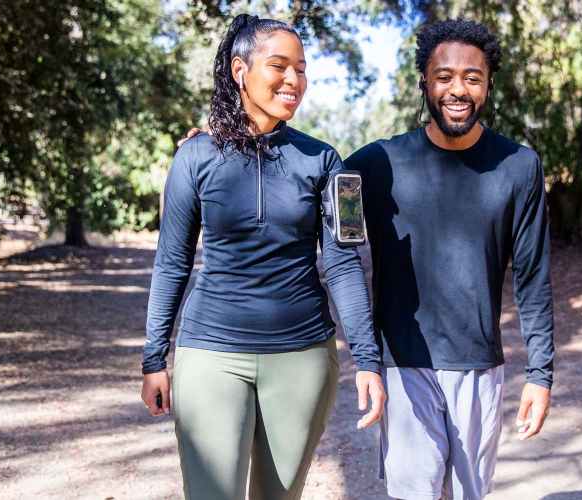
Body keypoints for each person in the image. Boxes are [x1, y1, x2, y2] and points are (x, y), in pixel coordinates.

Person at [139, 14, 385, 500]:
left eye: (302, 68)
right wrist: (154, 357)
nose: (294, 80)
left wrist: (369, 359)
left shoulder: (325, 161)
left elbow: (342, 263)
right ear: (239, 70)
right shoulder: (194, 158)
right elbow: (172, 261)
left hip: (302, 360)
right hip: (210, 355)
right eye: (279, 66)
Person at [343, 19, 556, 500]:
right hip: (403, 363)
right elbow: (304, 190)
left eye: (472, 77)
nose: (457, 89)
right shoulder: (372, 165)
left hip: (479, 366)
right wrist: (223, 144)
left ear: (488, 85)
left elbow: (533, 278)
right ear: (424, 80)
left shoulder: (519, 166)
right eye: (443, 77)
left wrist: (540, 375)